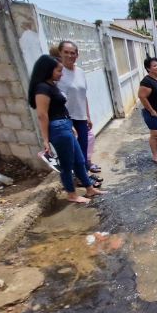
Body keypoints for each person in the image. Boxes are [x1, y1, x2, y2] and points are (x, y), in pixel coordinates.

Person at [28, 54, 104, 203]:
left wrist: (70, 126)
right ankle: (72, 194)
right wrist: (45, 139)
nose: (61, 74)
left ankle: (90, 189)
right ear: (48, 70)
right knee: (67, 164)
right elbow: (42, 115)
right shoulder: (42, 88)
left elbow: (60, 108)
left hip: (65, 126)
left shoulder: (51, 86)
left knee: (79, 160)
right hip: (58, 129)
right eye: (58, 71)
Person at [56, 41, 102, 185]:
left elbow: (83, 96)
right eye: (66, 52)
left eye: (73, 53)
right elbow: (55, 99)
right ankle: (78, 180)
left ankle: (84, 176)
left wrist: (87, 116)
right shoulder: (57, 73)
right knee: (72, 152)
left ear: (77, 55)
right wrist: (67, 122)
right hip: (65, 118)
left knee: (82, 149)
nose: (70, 55)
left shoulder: (80, 71)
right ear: (60, 53)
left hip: (80, 117)